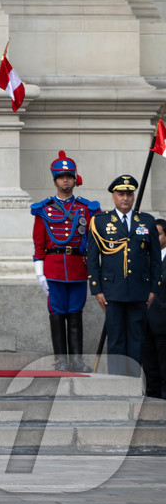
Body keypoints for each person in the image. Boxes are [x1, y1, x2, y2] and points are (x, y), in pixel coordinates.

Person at [86, 174, 162, 377]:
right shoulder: (100, 222)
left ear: (134, 196)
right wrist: (97, 290)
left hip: (139, 292)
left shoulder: (146, 221)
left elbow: (155, 260)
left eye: (129, 194)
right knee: (116, 340)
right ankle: (118, 385)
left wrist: (154, 289)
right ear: (113, 197)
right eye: (121, 194)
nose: (125, 198)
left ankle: (134, 384)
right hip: (112, 292)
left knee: (137, 340)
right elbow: (93, 259)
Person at [31, 152, 99, 372]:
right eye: (61, 177)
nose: (65, 180)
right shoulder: (44, 209)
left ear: (75, 179)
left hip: (78, 267)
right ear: (55, 180)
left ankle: (77, 361)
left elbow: (94, 241)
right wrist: (40, 272)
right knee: (57, 312)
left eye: (69, 176)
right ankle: (61, 360)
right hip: (53, 267)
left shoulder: (86, 209)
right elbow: (39, 243)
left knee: (75, 312)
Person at [142, 218, 166, 397]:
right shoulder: (144, 258)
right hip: (145, 320)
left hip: (163, 321)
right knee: (149, 362)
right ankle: (152, 394)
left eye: (157, 234)